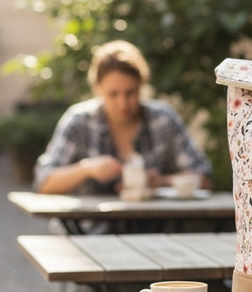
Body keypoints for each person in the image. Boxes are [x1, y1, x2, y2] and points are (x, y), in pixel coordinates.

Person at [34, 40, 211, 196]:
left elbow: (204, 178)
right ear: (97, 89)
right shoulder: (79, 121)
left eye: (130, 93)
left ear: (142, 85)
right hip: (89, 229)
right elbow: (44, 183)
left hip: (152, 228)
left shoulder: (163, 119)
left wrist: (162, 181)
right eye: (113, 94)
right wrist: (87, 169)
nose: (123, 104)